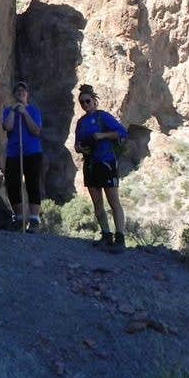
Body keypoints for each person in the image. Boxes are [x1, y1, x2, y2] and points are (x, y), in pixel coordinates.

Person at [74, 83, 129, 252]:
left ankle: (120, 237)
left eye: (88, 101)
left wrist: (103, 135)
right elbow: (76, 144)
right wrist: (80, 148)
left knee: (113, 201)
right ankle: (106, 234)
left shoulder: (103, 117)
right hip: (90, 164)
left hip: (106, 161)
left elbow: (122, 132)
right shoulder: (81, 122)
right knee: (97, 202)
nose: (85, 105)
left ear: (94, 101)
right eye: (82, 102)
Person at [1, 81, 44, 232]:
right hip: (13, 152)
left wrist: (24, 113)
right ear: (14, 94)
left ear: (27, 94)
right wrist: (14, 111)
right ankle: (19, 217)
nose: (20, 92)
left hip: (32, 152)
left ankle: (34, 219)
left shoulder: (34, 111)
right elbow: (8, 127)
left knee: (33, 183)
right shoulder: (8, 111)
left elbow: (36, 131)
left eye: (23, 90)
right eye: (18, 91)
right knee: (12, 184)